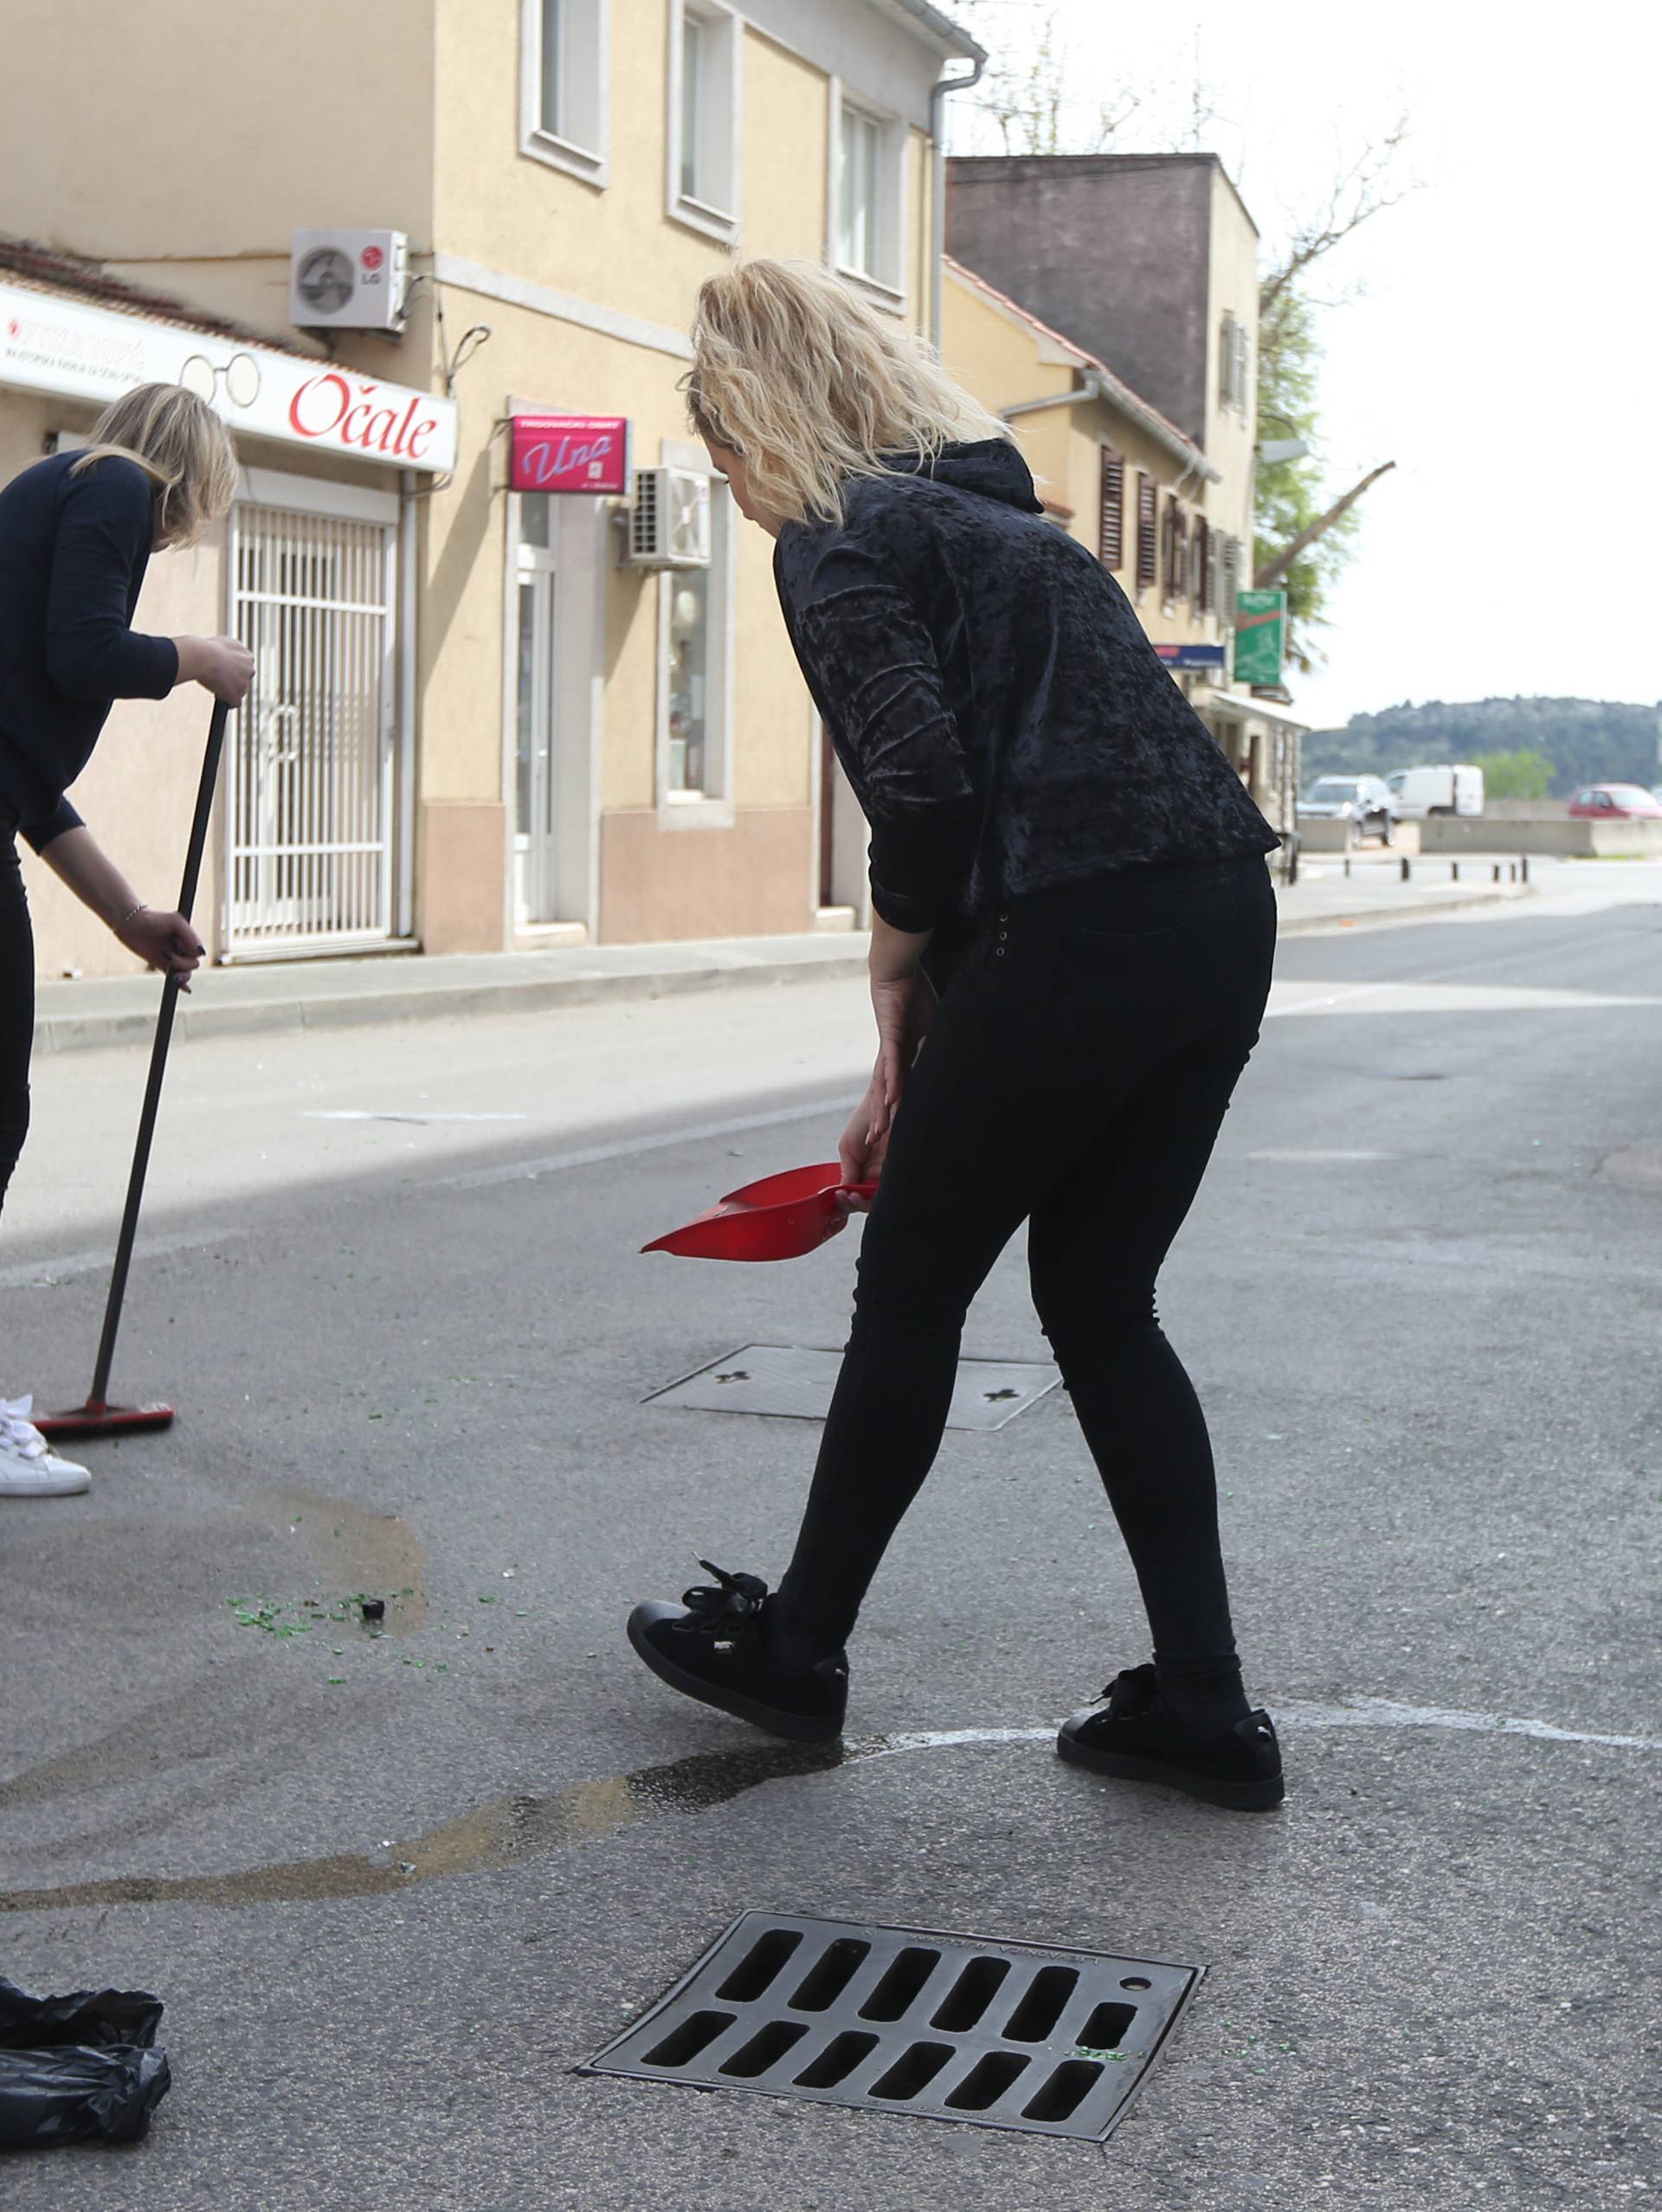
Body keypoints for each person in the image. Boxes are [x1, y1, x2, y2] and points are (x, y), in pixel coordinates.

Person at [628, 260, 1285, 1811]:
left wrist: (891, 966)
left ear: (754, 426)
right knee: (1103, 1299)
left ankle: (797, 1654)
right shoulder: (1009, 530)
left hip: (1072, 927)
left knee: (912, 1287)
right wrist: (920, 1020)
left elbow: (921, 785)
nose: (725, 487)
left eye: (719, 456)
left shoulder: (838, 536)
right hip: (1217, 922)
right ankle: (1204, 1705)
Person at [0, 384, 252, 1500]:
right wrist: (200, 658)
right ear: (191, 476)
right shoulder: (114, 485)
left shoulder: (52, 498)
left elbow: (24, 786)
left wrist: (130, 918)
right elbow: (85, 653)